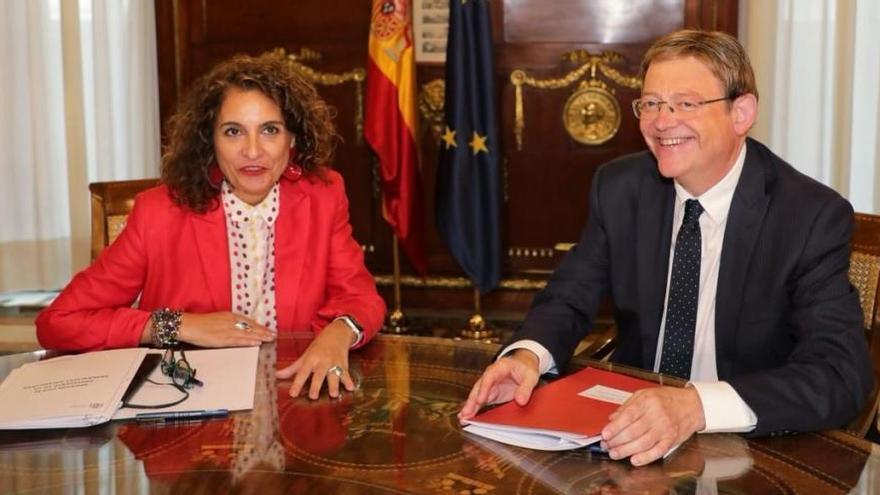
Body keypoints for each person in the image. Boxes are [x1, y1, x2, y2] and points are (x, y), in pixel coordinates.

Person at [459, 29, 874, 466]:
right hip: (628, 435)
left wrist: (694, 406)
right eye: (651, 103)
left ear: (741, 112)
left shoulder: (809, 216)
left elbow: (839, 375)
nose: (661, 121)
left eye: (686, 103)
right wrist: (527, 356)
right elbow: (568, 299)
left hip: (748, 449)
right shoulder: (620, 188)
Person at [36, 52, 386, 400]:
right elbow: (59, 321)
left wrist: (340, 331)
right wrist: (179, 324)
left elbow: (361, 298)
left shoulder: (323, 197)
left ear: (292, 140)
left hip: (296, 400)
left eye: (270, 130)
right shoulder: (157, 213)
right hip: (185, 409)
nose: (252, 151)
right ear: (210, 140)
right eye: (233, 131)